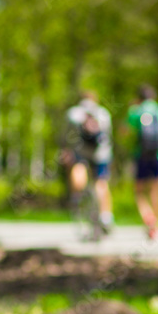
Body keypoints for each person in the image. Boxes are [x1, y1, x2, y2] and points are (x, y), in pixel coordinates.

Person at [126, 84, 158, 240]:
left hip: (141, 155)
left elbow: (125, 132)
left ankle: (147, 216)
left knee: (139, 191)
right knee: (155, 190)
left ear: (139, 98)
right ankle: (156, 226)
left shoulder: (135, 112)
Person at [64, 91, 114, 230]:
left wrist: (65, 149)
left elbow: (66, 135)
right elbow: (108, 135)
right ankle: (106, 216)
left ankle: (78, 196)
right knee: (101, 182)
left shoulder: (73, 113)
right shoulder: (103, 113)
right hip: (101, 153)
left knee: (78, 167)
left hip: (81, 151)